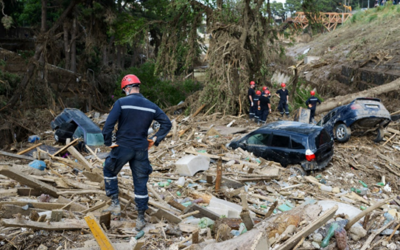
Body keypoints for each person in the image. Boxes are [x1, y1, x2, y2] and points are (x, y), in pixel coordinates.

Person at [102, 74, 172, 231]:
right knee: (140, 182)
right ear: (137, 87)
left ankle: (115, 204)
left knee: (109, 169)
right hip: (141, 148)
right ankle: (140, 218)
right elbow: (166, 123)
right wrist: (155, 139)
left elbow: (108, 126)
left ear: (127, 88)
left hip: (123, 147)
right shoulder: (151, 105)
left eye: (124, 90)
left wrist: (109, 143)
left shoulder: (121, 103)